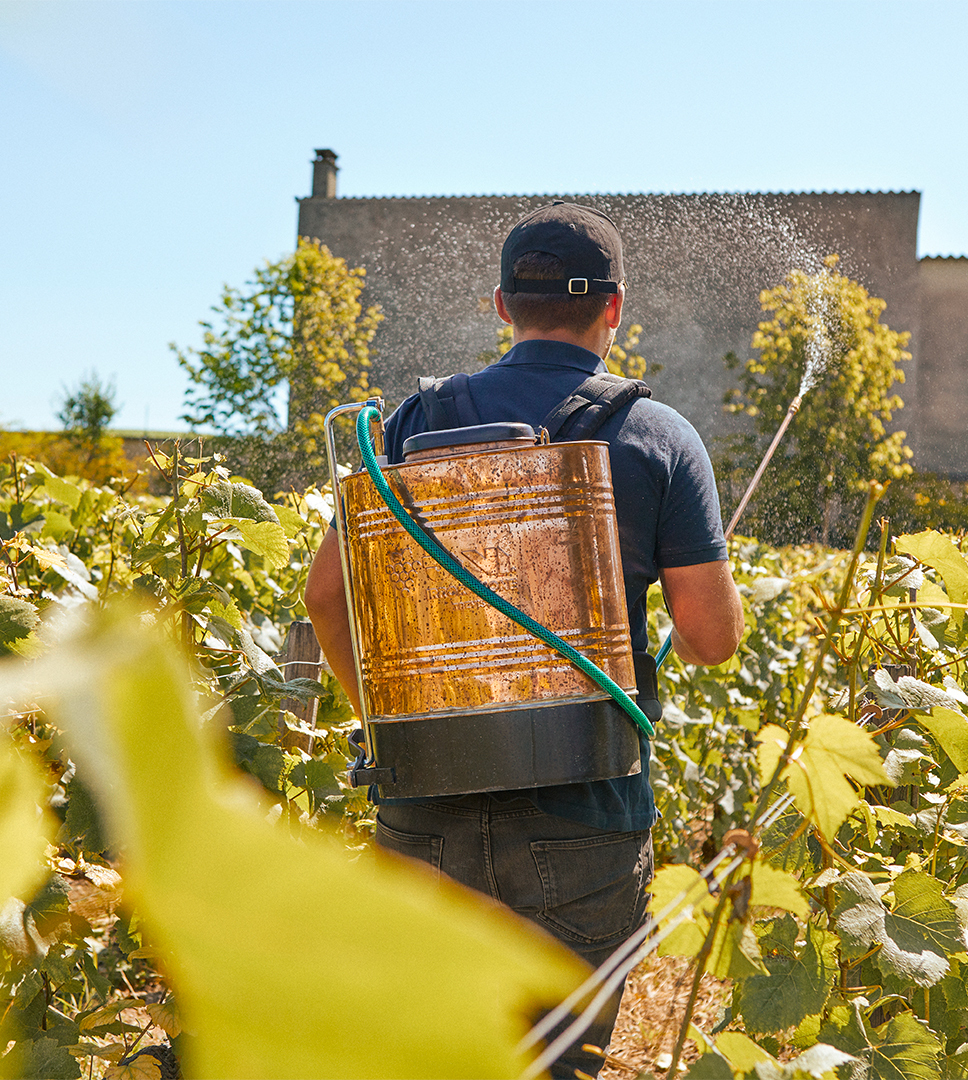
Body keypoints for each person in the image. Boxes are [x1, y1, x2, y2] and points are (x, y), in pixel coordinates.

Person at [305, 202, 743, 1078]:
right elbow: (709, 638)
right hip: (581, 823)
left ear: (501, 306)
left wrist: (388, 734)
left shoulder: (408, 425)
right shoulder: (657, 437)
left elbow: (325, 598)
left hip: (423, 816)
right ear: (614, 309)